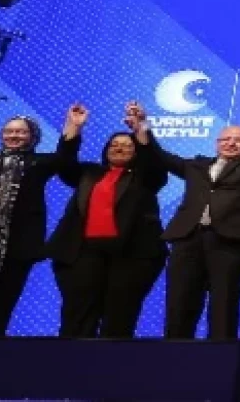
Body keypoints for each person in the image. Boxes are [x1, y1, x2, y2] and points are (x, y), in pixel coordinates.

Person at [156, 95, 240, 340]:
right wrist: (141, 127)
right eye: (226, 139)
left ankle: (220, 357)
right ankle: (174, 353)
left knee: (224, 304)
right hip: (188, 239)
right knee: (180, 301)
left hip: (230, 243)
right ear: (217, 143)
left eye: (239, 140)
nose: (231, 143)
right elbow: (161, 156)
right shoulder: (196, 166)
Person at [47, 101, 168, 338]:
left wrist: (141, 128)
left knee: (119, 320)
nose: (120, 148)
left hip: (131, 256)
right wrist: (74, 127)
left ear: (137, 151)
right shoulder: (88, 173)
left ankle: (112, 361)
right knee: (77, 317)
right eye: (114, 145)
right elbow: (64, 164)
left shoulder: (146, 177)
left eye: (127, 145)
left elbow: (154, 162)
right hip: (82, 253)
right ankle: (70, 359)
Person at [0, 101, 82, 336]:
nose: (13, 135)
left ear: (32, 137)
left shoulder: (39, 163)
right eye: (9, 131)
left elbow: (64, 157)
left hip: (14, 249)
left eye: (20, 132)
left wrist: (73, 125)